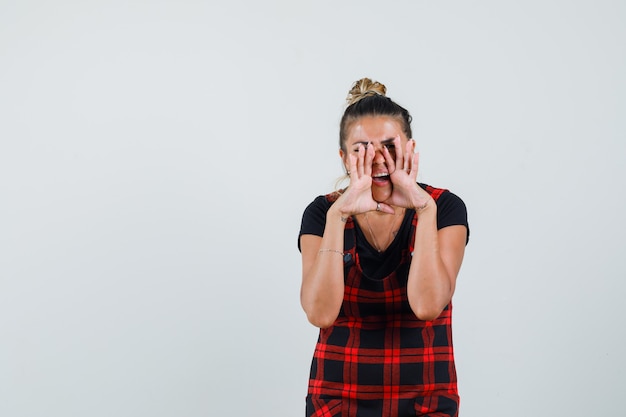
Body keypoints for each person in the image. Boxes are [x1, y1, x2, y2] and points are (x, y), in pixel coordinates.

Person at [297, 78, 469, 417]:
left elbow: (428, 306)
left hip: (425, 400)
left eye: (390, 146)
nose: (378, 160)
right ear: (344, 158)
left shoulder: (444, 208)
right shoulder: (323, 214)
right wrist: (339, 217)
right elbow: (319, 313)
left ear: (410, 148)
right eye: (362, 149)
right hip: (337, 401)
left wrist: (424, 209)